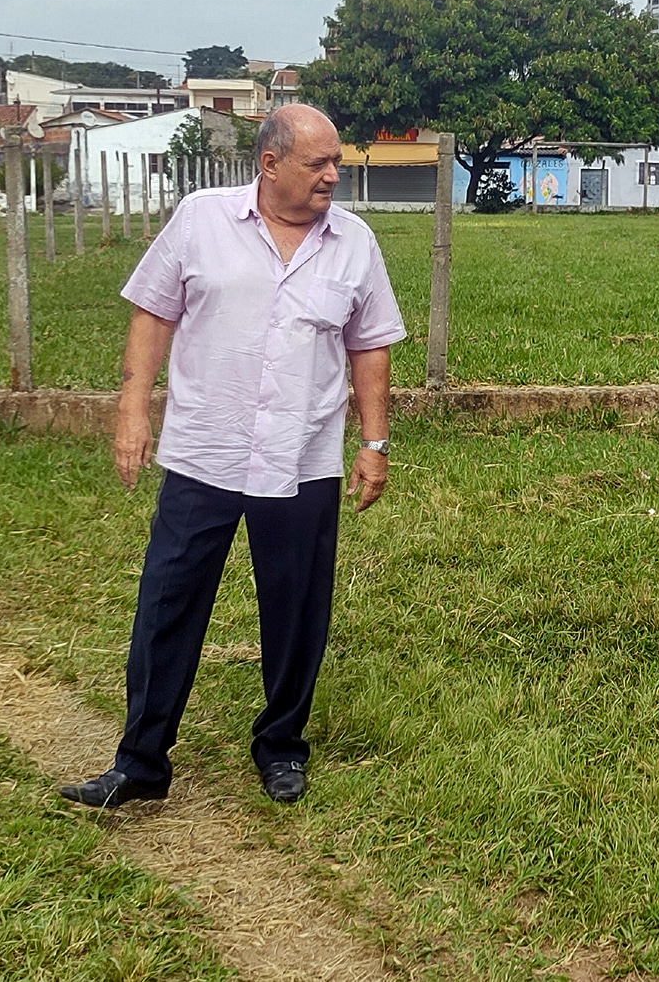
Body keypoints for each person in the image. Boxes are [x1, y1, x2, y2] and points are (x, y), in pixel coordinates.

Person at [60, 104, 406, 809]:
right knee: (167, 602)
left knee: (296, 608)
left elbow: (370, 343)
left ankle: (281, 746)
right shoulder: (200, 219)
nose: (332, 176)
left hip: (302, 457)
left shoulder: (354, 242)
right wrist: (131, 409)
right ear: (270, 163)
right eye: (318, 163)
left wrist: (374, 442)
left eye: (336, 162)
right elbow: (153, 313)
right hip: (203, 451)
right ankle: (141, 760)